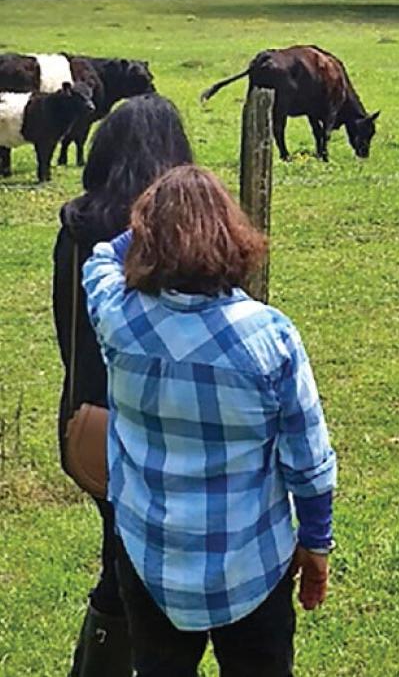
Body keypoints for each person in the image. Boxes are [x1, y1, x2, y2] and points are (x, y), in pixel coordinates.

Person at [80, 164, 336, 677]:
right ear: (232, 237)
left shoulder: (118, 317)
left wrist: (154, 223)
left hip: (148, 556)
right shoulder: (270, 338)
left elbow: (100, 257)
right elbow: (309, 463)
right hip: (251, 563)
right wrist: (315, 541)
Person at [53, 93, 194, 677]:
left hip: (87, 419)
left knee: (120, 550)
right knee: (137, 566)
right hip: (163, 427)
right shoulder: (179, 236)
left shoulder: (79, 226)